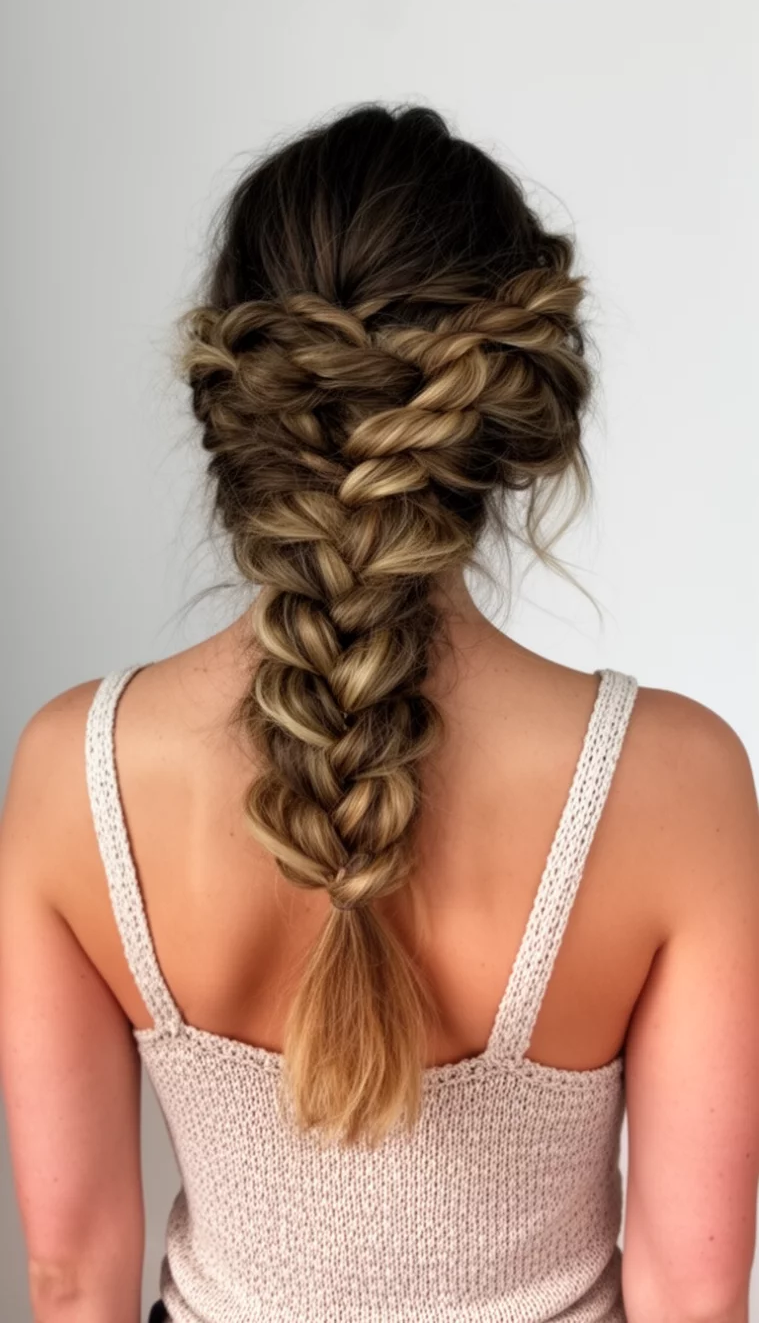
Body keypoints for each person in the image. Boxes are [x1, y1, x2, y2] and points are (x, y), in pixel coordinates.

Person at [1, 101, 757, 1323]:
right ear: (512, 419)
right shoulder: (676, 784)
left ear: (236, 405)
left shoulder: (74, 772)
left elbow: (72, 1279)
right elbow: (693, 1294)